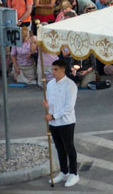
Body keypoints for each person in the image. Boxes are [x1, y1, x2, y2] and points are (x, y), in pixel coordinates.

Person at [44, 59, 79, 187]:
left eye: (56, 69)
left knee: (69, 147)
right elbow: (50, 100)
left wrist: (54, 116)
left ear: (63, 69)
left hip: (66, 122)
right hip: (53, 123)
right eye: (52, 69)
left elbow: (69, 106)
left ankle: (74, 173)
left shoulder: (70, 85)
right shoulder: (50, 84)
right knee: (59, 148)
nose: (53, 72)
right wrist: (47, 105)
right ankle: (64, 171)